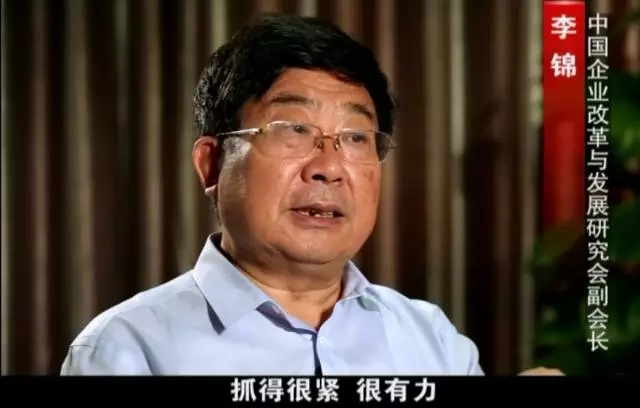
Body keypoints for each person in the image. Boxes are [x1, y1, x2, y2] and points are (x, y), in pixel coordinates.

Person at [61, 14, 561, 376]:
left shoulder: (432, 340)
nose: (328, 167)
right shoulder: (128, 349)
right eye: (293, 130)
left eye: (356, 138)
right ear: (211, 163)